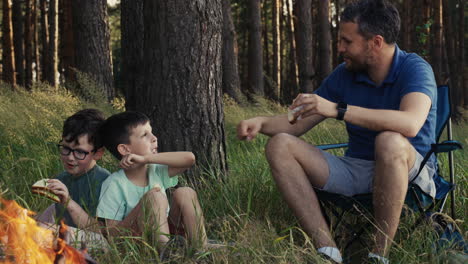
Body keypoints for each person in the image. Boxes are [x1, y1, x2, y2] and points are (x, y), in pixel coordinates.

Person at [237, 0, 437, 263]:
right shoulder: (345, 74)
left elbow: (410, 123)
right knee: (280, 144)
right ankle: (328, 252)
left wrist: (338, 109)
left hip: (410, 171)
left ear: (375, 42)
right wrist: (261, 122)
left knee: (389, 141)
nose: (340, 48)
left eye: (347, 41)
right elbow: (295, 123)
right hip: (356, 168)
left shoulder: (414, 68)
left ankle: (378, 255)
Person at [97, 111, 213, 252]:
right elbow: (113, 234)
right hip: (138, 241)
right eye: (145, 135)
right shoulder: (114, 183)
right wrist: (144, 204)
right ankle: (166, 253)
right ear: (125, 149)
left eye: (151, 132)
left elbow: (190, 159)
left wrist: (147, 159)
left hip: (168, 232)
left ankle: (201, 248)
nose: (154, 138)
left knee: (185, 192)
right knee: (155, 197)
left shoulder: (155, 170)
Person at [36, 108, 110, 246]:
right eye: (66, 148)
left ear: (98, 153)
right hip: (67, 240)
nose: (70, 157)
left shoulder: (105, 181)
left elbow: (102, 232)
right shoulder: (62, 178)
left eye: (79, 152)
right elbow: (57, 217)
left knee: (41, 232)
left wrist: (68, 202)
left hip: (97, 243)